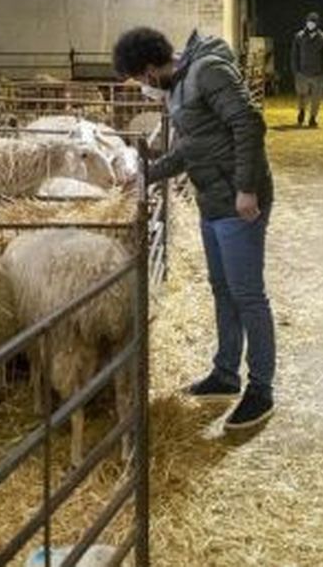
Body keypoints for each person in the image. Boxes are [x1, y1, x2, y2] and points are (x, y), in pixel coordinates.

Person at [113, 27, 277, 430]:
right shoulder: (180, 87)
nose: (141, 88)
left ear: (151, 69)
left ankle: (261, 389)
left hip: (238, 201)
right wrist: (149, 174)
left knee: (248, 295)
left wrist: (246, 188)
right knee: (222, 288)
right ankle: (225, 373)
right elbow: (192, 148)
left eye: (138, 80)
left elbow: (249, 124)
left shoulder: (206, 72)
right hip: (213, 198)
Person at [290, 12, 323, 128]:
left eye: (312, 22)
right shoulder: (299, 36)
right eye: (308, 22)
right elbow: (294, 55)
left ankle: (313, 118)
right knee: (301, 95)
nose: (310, 24)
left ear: (317, 24)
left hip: (317, 74)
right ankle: (302, 111)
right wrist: (296, 71)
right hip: (302, 74)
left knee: (316, 98)